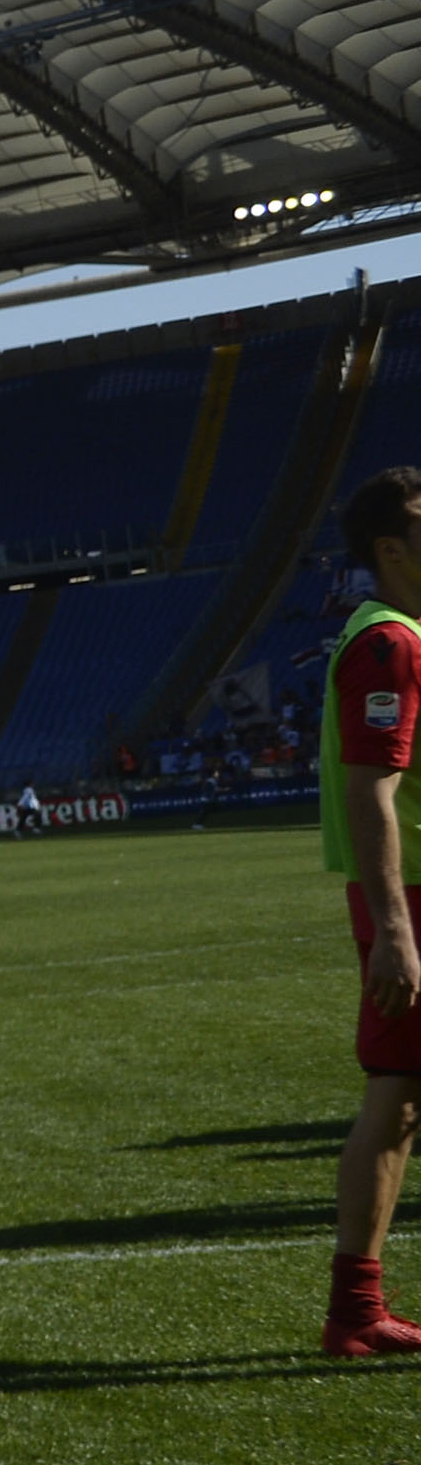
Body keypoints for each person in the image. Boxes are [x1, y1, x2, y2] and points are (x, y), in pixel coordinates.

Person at [312, 468, 421, 1358]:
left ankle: (358, 1310)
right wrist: (394, 930)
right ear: (391, 548)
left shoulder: (402, 636)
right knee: (395, 1094)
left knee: (401, 1097)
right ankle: (353, 1310)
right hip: (414, 897)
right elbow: (371, 791)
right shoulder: (388, 644)